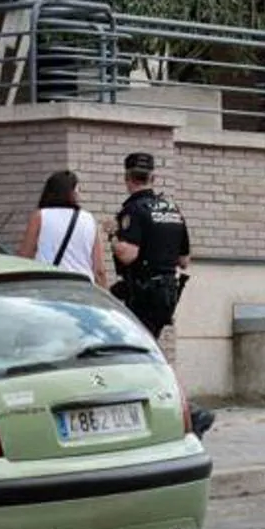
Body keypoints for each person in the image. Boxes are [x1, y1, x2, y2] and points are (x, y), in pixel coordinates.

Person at [105, 153, 212, 438]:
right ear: (153, 178)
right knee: (146, 352)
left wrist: (112, 236)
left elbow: (129, 255)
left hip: (143, 292)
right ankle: (172, 411)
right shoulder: (172, 208)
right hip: (166, 292)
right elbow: (184, 260)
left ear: (127, 179)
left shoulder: (134, 211)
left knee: (145, 355)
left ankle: (189, 412)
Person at [20, 170, 106, 287]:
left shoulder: (40, 216)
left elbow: (25, 257)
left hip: (49, 286)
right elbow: (99, 269)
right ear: (73, 191)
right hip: (83, 288)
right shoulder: (89, 219)